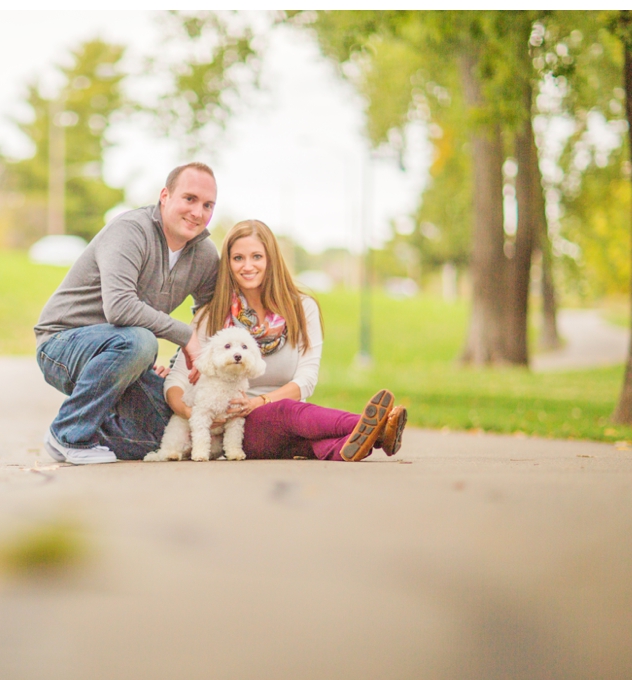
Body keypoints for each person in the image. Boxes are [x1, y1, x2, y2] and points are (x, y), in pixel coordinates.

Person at [163, 219, 407, 462]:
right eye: (238, 258)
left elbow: (307, 379)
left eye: (256, 256)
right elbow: (177, 379)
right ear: (228, 263)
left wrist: (260, 401)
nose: (247, 266)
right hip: (240, 426)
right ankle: (376, 425)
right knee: (287, 413)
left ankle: (363, 439)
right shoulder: (212, 314)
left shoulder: (302, 308)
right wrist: (187, 411)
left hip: (291, 417)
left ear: (271, 259)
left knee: (300, 430)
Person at [34, 162, 221, 464]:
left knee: (166, 428)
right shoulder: (130, 231)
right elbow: (119, 307)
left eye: (208, 204)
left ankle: (92, 432)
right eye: (189, 199)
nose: (198, 212)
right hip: (62, 346)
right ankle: (66, 435)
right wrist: (185, 336)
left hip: (124, 353)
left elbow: (208, 317)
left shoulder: (205, 256)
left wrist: (176, 372)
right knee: (140, 342)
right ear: (165, 196)